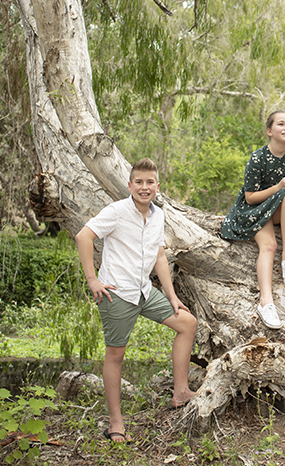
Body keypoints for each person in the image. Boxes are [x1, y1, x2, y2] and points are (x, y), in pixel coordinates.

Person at [75, 158, 197, 443]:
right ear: (130, 185)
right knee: (116, 355)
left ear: (157, 187)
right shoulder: (117, 211)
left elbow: (159, 256)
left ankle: (180, 392)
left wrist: (172, 296)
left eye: (150, 182)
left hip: (144, 291)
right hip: (116, 293)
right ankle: (116, 423)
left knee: (187, 323)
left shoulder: (158, 215)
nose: (144, 187)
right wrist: (92, 279)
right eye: (139, 182)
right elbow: (84, 236)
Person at [221, 110, 285, 329]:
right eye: (281, 124)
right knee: (269, 245)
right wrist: (278, 187)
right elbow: (250, 197)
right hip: (252, 209)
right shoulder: (257, 158)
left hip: (276, 205)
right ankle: (266, 302)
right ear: (269, 130)